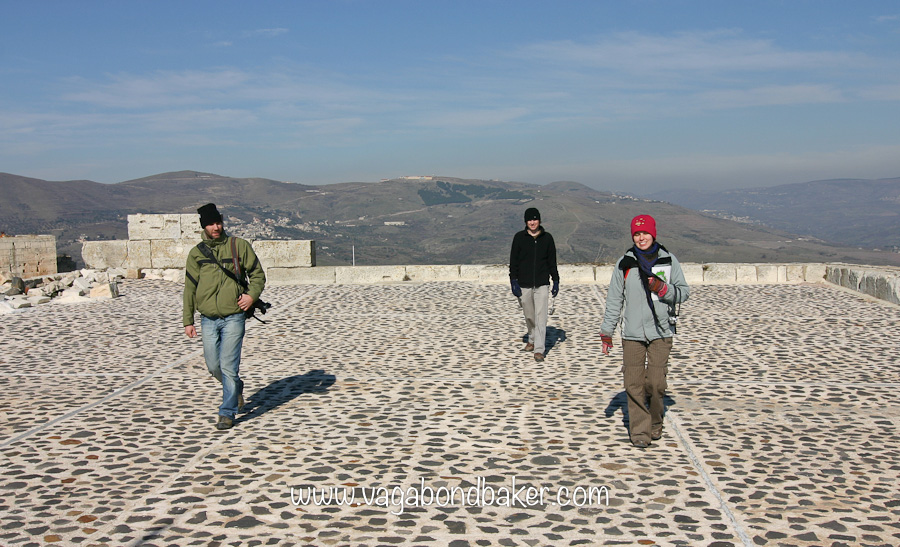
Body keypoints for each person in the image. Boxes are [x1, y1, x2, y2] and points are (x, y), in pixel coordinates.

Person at [600, 214, 689, 448]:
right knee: (633, 383)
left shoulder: (668, 260)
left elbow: (683, 292)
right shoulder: (625, 264)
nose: (641, 238)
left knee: (656, 384)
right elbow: (614, 300)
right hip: (632, 333)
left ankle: (656, 421)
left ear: (653, 234)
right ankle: (640, 430)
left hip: (661, 331)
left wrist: (663, 289)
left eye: (645, 233)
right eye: (637, 234)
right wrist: (607, 332)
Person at [183, 203, 266, 430]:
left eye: (218, 222)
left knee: (229, 366)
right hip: (208, 318)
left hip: (234, 316)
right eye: (211, 224)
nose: (216, 227)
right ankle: (236, 388)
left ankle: (226, 412)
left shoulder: (238, 246)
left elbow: (257, 275)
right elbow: (190, 288)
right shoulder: (196, 253)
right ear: (204, 226)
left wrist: (251, 296)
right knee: (213, 366)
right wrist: (188, 320)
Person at [509, 207, 560, 362]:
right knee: (529, 315)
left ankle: (539, 349)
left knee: (541, 317)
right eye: (530, 220)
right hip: (524, 284)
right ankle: (531, 338)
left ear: (539, 220)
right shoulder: (519, 238)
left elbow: (552, 261)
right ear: (526, 222)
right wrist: (513, 280)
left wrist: (556, 280)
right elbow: (513, 261)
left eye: (535, 219)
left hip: (542, 283)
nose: (532, 222)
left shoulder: (547, 238)